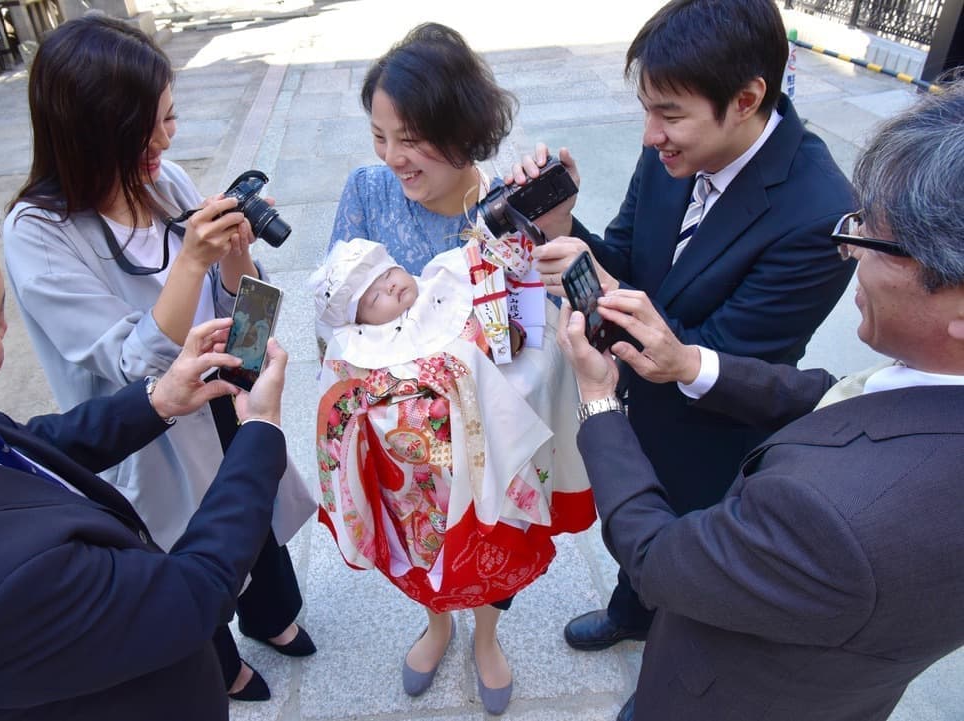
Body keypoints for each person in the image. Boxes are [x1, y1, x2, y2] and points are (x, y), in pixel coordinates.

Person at [556, 78, 964, 721]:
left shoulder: (832, 515)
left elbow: (663, 560)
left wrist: (598, 399)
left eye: (874, 240)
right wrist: (690, 363)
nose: (848, 250)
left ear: (744, 96)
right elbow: (845, 398)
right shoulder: (932, 385)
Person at [0, 141, 292, 721]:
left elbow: (25, 446)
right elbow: (192, 593)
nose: (8, 329)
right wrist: (261, 433)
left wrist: (158, 399)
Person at [510, 0, 857, 654]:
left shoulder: (819, 214)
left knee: (691, 562)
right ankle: (631, 609)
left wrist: (611, 292)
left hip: (714, 427)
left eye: (669, 114)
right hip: (640, 400)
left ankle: (668, 664)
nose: (649, 134)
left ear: (748, 97)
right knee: (636, 533)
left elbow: (724, 353)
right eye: (647, 109)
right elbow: (625, 258)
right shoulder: (672, 152)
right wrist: (563, 228)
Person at [1, 13, 314, 703]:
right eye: (147, 126)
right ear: (93, 130)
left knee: (254, 511)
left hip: (222, 388)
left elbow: (243, 309)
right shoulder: (37, 234)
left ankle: (275, 616)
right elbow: (134, 361)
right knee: (186, 550)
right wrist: (194, 259)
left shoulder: (161, 178)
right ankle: (223, 664)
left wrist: (235, 259)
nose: (166, 139)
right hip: (152, 427)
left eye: (169, 117)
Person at [328, 22, 590, 713]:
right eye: (381, 136)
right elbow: (338, 305)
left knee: (496, 532)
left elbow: (540, 326)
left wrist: (555, 230)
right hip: (405, 435)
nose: (393, 158)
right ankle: (436, 619)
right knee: (419, 537)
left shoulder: (505, 205)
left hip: (491, 426)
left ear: (465, 131)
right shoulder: (366, 190)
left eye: (411, 138)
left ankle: (486, 633)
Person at [310, 237, 593, 624]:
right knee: (428, 556)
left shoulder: (443, 288)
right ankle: (437, 626)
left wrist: (504, 336)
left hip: (485, 452)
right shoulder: (355, 354)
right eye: (374, 297)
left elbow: (491, 329)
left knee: (497, 545)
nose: (390, 286)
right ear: (359, 321)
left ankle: (487, 633)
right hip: (420, 487)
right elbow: (339, 421)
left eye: (389, 273)